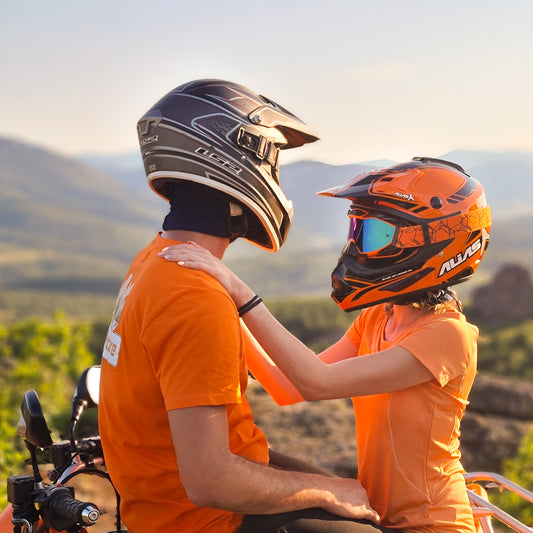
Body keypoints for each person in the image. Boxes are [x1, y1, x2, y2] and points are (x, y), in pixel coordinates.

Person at [98, 79, 383, 533]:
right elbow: (210, 479)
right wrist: (328, 492)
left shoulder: (153, 260)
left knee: (336, 485)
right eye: (268, 159)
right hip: (207, 519)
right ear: (229, 161)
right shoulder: (194, 296)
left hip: (161, 502)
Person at [159, 157, 493, 532]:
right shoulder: (380, 317)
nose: (356, 245)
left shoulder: (448, 335)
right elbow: (285, 386)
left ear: (433, 241)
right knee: (257, 466)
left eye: (374, 235)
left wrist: (241, 296)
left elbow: (316, 382)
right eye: (355, 230)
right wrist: (219, 304)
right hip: (378, 511)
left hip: (431, 525)